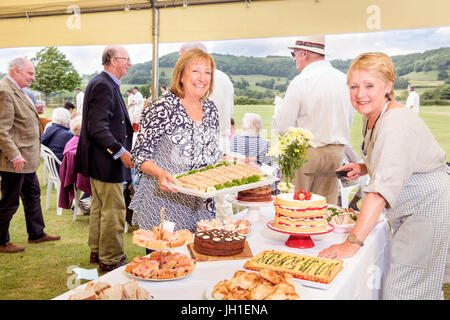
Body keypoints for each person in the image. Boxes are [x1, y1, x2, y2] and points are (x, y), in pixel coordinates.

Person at [318, 52, 450, 300]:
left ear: (388, 86)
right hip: (412, 209)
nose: (360, 94)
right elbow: (395, 156)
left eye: (369, 85)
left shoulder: (394, 122)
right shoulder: (373, 115)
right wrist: (365, 167)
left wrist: (352, 243)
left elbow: (379, 193)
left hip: (428, 210)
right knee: (409, 281)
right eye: (354, 86)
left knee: (406, 289)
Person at [130, 48, 222, 234]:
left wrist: (233, 163)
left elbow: (212, 154)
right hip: (164, 203)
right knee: (166, 262)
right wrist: (160, 173)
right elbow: (139, 155)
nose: (202, 78)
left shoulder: (211, 108)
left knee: (199, 261)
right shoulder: (162, 107)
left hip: (202, 206)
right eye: (195, 71)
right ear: (181, 75)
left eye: (207, 73)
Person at [272, 35, 354, 205]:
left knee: (295, 205)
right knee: (324, 207)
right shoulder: (344, 80)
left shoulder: (302, 80)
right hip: (336, 153)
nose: (294, 59)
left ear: (305, 54)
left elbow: (283, 127)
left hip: (305, 152)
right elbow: (349, 119)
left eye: (294, 54)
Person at [75, 45, 133, 272]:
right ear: (112, 60)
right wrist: (121, 151)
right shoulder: (103, 85)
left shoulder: (103, 83)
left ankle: (98, 250)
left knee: (100, 208)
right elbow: (98, 128)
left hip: (100, 161)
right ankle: (111, 258)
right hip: (107, 161)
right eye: (126, 59)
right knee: (114, 210)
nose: (129, 63)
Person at [0, 57, 60, 254]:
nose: (33, 78)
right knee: (10, 201)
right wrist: (15, 155)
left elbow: (19, 119)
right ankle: (1, 241)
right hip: (15, 161)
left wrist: (36, 111)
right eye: (30, 73)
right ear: (16, 70)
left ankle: (36, 233)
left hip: (27, 158)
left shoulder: (17, 90)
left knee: (33, 194)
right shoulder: (5, 90)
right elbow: (2, 129)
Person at [179, 42, 235, 217]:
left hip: (200, 143)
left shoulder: (194, 80)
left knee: (196, 194)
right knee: (221, 197)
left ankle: (204, 238)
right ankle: (226, 236)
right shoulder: (224, 78)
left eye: (181, 56)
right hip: (222, 141)